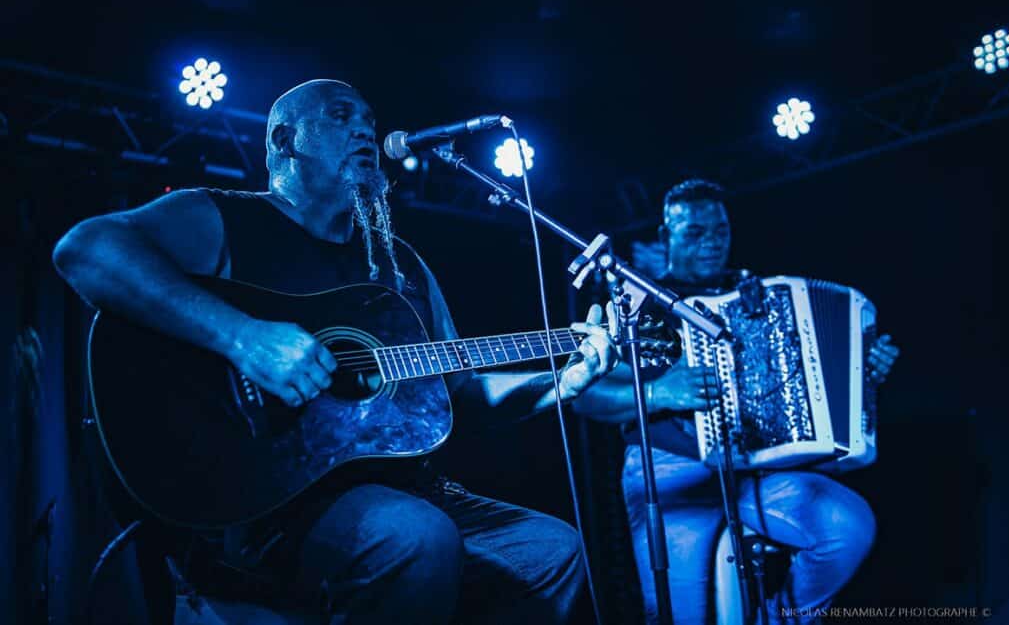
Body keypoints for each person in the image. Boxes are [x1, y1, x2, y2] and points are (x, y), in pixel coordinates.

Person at [52, 79, 619, 624]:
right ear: (285, 140)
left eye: (370, 121)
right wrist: (243, 337)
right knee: (416, 536)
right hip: (264, 499)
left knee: (552, 551)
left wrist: (557, 385)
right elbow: (86, 249)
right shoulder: (224, 218)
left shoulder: (402, 266)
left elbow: (459, 394)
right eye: (341, 117)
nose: (365, 132)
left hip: (400, 492)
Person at [574, 179, 899, 624]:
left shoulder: (756, 294)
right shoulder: (636, 303)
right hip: (672, 472)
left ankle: (779, 618)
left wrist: (860, 365)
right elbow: (585, 396)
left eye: (720, 230)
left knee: (847, 526)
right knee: (681, 616)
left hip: (756, 466)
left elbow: (805, 376)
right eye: (695, 232)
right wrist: (660, 391)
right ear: (666, 236)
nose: (712, 242)